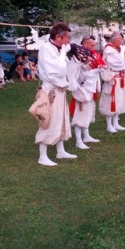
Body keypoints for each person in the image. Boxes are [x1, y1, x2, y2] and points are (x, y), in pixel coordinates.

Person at [35, 22, 77, 166]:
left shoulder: (58, 49)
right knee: (48, 120)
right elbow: (57, 71)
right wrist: (64, 54)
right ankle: (42, 156)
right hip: (51, 90)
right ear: (59, 37)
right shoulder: (46, 48)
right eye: (67, 38)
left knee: (62, 119)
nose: (68, 41)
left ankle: (60, 150)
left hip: (60, 89)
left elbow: (67, 70)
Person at [67, 36, 104, 149]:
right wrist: (97, 70)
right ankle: (78, 140)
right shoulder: (77, 56)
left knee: (88, 112)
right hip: (81, 89)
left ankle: (86, 135)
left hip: (90, 87)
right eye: (92, 45)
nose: (94, 47)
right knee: (80, 114)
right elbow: (79, 73)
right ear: (85, 44)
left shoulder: (87, 55)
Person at [99, 31, 125, 133]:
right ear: (115, 40)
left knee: (119, 99)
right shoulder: (109, 50)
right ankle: (109, 125)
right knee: (110, 100)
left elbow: (122, 63)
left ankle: (116, 123)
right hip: (112, 78)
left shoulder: (118, 49)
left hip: (120, 78)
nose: (122, 41)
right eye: (120, 39)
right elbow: (117, 64)